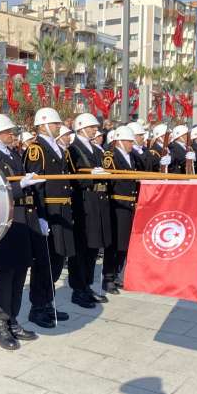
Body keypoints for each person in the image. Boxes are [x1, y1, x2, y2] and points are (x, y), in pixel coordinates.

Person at [0, 114, 43, 350]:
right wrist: (20, 187)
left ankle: (14, 320)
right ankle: (1, 325)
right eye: (8, 131)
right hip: (6, 221)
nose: (12, 134)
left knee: (19, 273)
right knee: (5, 274)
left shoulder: (12, 152)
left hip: (22, 219)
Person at [24, 107, 75, 328]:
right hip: (49, 211)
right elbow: (35, 186)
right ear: (43, 124)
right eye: (55, 123)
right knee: (44, 262)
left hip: (61, 211)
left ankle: (47, 302)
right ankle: (37, 307)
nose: (58, 126)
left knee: (57, 260)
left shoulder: (56, 147)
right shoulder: (37, 149)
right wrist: (40, 215)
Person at [66, 113, 110, 307]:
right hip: (83, 202)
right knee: (82, 249)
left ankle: (87, 285)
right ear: (81, 127)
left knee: (93, 247)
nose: (95, 130)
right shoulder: (73, 150)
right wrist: (91, 176)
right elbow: (72, 178)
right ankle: (78, 289)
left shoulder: (95, 149)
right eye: (91, 127)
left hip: (97, 201)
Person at [102, 126, 138, 294]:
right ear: (120, 141)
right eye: (129, 141)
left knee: (124, 244)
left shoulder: (131, 156)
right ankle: (108, 277)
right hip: (117, 204)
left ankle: (116, 273)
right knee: (114, 243)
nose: (132, 144)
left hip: (129, 204)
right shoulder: (111, 156)